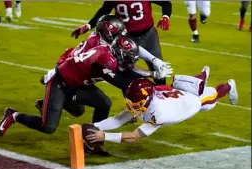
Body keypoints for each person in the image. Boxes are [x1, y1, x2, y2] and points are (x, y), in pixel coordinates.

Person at [0, 35, 156, 136]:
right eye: (128, 58)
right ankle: (14, 115)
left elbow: (126, 73)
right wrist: (152, 76)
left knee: (93, 107)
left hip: (79, 83)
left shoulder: (107, 52)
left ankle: (91, 138)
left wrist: (153, 74)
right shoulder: (105, 60)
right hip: (61, 82)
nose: (131, 62)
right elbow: (121, 81)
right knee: (48, 127)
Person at [35, 15, 173, 117]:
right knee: (83, 108)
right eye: (118, 33)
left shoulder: (103, 41)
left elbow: (129, 45)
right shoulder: (102, 50)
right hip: (71, 74)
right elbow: (124, 72)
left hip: (79, 69)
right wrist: (152, 74)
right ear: (109, 33)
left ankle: (51, 99)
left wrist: (154, 59)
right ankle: (52, 90)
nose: (122, 35)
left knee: (79, 111)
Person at [83, 66, 238, 145]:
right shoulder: (145, 100)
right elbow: (118, 120)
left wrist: (105, 136)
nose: (132, 107)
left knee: (212, 99)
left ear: (145, 100)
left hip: (191, 102)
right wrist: (94, 126)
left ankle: (230, 85)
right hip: (177, 94)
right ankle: (201, 78)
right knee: (194, 88)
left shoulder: (158, 113)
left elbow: (135, 137)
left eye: (135, 103)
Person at [71, 1, 172, 85]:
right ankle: (136, 100)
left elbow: (166, 3)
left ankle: (162, 98)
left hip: (149, 36)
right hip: (126, 37)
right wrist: (88, 25)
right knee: (127, 71)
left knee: (160, 71)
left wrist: (166, 17)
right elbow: (104, 10)